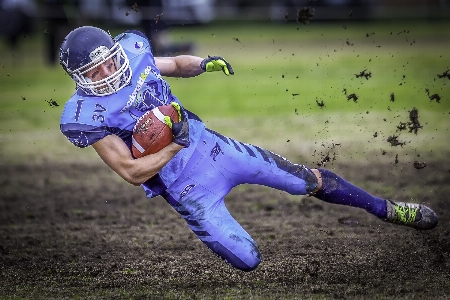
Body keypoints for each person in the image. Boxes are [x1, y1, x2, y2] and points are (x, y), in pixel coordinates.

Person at [59, 26, 438, 272]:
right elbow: (131, 172)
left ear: (115, 53)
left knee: (306, 181)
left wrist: (204, 64)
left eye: (108, 64)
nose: (107, 74)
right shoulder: (85, 115)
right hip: (186, 188)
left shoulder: (134, 50)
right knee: (248, 260)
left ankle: (387, 209)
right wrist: (176, 144)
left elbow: (173, 63)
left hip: (215, 148)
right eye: (94, 73)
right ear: (78, 79)